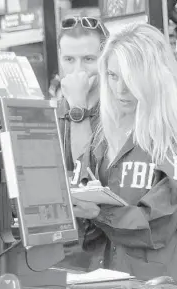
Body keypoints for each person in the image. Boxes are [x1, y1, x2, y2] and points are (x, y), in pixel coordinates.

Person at [71, 23, 177, 286]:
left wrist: (99, 213)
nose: (120, 89)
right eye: (113, 76)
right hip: (104, 284)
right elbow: (86, 233)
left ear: (155, 76)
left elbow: (158, 224)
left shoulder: (176, 138)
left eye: (131, 78)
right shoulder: (103, 135)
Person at [57, 16, 108, 177]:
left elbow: (87, 177)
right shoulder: (52, 113)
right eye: (69, 59)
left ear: (106, 57)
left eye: (88, 59)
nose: (78, 70)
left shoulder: (122, 109)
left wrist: (78, 105)